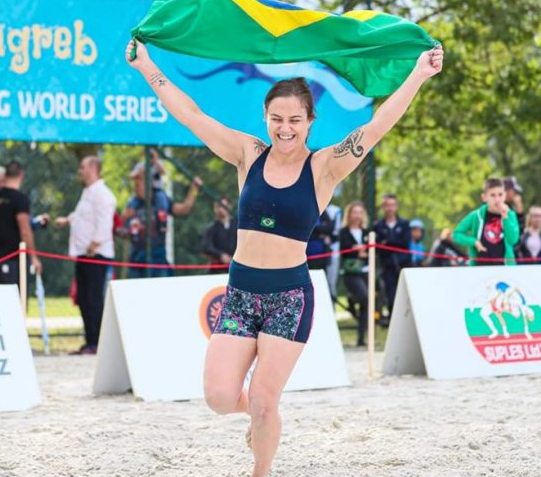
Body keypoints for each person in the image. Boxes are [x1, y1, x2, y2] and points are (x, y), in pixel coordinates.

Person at [126, 39, 443, 477]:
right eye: (277, 119)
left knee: (263, 398)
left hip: (288, 298)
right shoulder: (248, 154)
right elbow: (191, 115)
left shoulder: (326, 166)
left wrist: (419, 75)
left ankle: (262, 466)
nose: (285, 128)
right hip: (240, 294)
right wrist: (146, 66)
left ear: (310, 122)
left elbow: (377, 126)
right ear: (265, 119)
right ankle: (260, 418)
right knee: (220, 398)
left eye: (295, 119)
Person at [55, 156, 117, 355]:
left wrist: (94, 244)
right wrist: (68, 220)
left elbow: (105, 222)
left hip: (95, 254)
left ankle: (97, 342)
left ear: (92, 168)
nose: (80, 171)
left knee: (93, 299)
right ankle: (89, 340)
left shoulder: (103, 194)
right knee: (83, 298)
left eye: (82, 167)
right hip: (83, 254)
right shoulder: (88, 193)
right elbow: (83, 216)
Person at [122, 165, 202, 278]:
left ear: (148, 183)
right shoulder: (132, 203)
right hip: (136, 258)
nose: (135, 187)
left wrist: (194, 190)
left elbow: (184, 208)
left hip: (157, 257)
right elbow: (122, 230)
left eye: (138, 183)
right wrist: (127, 225)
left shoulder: (161, 199)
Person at [0, 160, 42, 286]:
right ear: (21, 175)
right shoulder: (20, 199)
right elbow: (25, 229)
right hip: (14, 259)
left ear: (5, 176)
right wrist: (33, 256)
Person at [453, 178, 520, 266]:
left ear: (505, 195)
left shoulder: (510, 215)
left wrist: (505, 218)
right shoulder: (475, 215)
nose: (497, 199)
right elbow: (456, 234)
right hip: (480, 267)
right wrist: (473, 242)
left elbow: (513, 240)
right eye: (493, 195)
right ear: (484, 197)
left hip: (505, 268)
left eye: (500, 195)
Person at [372, 194, 411, 318]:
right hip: (387, 266)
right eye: (387, 205)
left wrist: (387, 242)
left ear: (396, 206)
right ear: (383, 207)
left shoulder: (404, 224)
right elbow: (379, 247)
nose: (390, 208)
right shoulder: (378, 225)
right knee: (390, 295)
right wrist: (392, 243)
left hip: (404, 265)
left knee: (405, 294)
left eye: (392, 205)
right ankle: (392, 319)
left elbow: (405, 244)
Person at [338, 202, 370, 346]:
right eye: (354, 212)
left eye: (360, 212)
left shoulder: (367, 232)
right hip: (350, 272)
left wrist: (361, 250)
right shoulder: (343, 232)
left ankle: (361, 337)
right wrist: (357, 249)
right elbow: (344, 248)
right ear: (349, 214)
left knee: (366, 303)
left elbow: (370, 251)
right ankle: (351, 300)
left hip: (366, 270)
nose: (357, 215)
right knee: (364, 296)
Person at [201, 197, 237, 273]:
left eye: (223, 206)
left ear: (229, 207)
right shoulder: (211, 228)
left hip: (235, 268)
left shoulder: (237, 226)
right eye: (218, 207)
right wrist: (221, 255)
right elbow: (206, 247)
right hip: (216, 270)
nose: (220, 209)